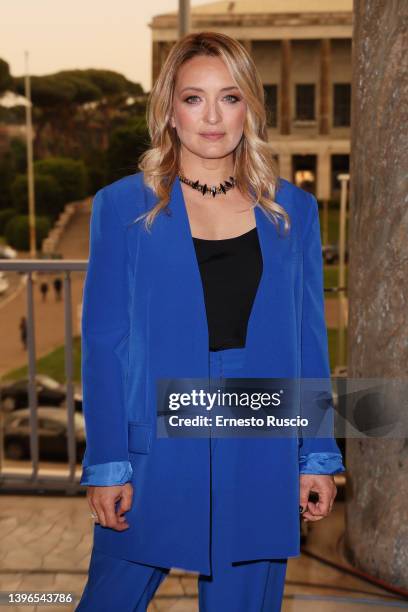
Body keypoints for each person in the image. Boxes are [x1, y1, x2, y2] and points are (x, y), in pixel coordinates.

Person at [76, 31, 346, 611]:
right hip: (152, 445)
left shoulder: (292, 210)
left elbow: (307, 341)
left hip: (259, 438)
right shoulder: (123, 207)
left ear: (250, 105)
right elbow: (105, 345)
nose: (213, 117)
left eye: (230, 97)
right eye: (194, 98)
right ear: (170, 110)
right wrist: (107, 462)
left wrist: (315, 455)